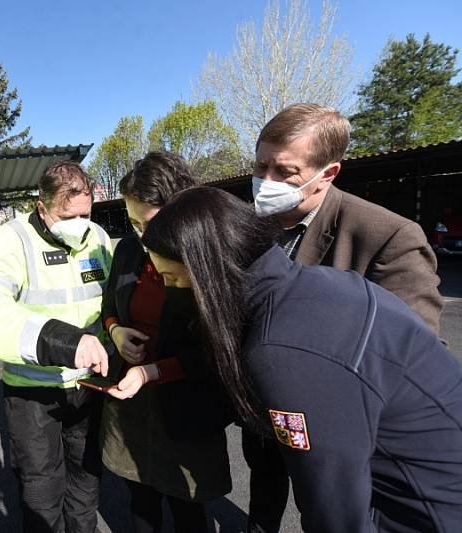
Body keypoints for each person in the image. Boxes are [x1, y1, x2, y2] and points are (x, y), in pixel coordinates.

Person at [141, 186, 462, 532]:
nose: (170, 290)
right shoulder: (317, 286)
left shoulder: (280, 354)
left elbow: (335, 515)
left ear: (212, 273)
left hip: (422, 515)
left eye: (174, 278)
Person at [245, 103, 444, 532]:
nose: (267, 182)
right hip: (266, 415)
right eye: (261, 166)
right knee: (264, 494)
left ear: (329, 173)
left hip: (342, 432)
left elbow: (412, 351)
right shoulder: (252, 225)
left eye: (285, 171)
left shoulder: (388, 236)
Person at [0, 161, 112, 533]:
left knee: (85, 481)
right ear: (41, 207)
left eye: (86, 213)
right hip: (33, 395)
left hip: (89, 386)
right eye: (68, 215)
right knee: (42, 490)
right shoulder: (10, 240)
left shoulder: (98, 237)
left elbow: (112, 300)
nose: (80, 224)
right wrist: (61, 342)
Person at [99, 152, 231, 533]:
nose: (142, 233)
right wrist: (115, 331)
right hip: (133, 403)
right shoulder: (127, 250)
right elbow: (111, 304)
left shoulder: (207, 257)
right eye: (133, 221)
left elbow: (216, 347)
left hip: (185, 402)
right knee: (141, 501)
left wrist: (154, 371)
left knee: (188, 506)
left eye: (149, 221)